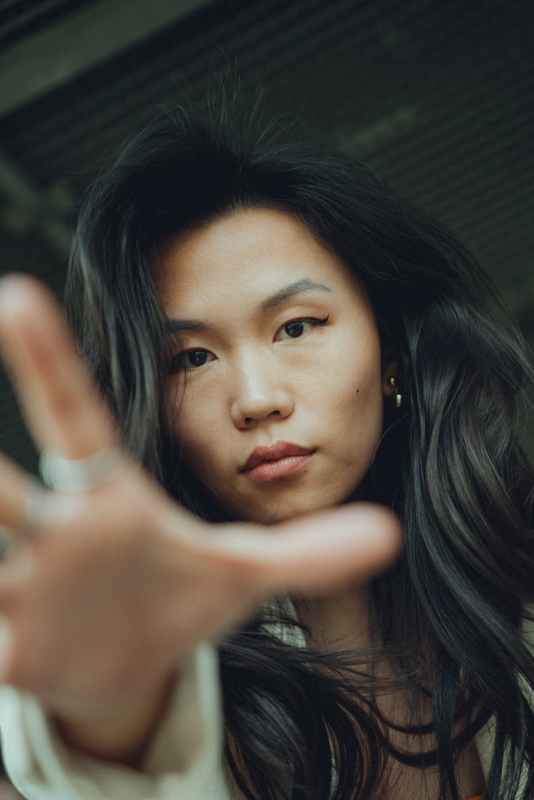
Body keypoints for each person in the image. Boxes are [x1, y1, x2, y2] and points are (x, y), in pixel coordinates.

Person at [0, 90, 533, 800]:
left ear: (390, 349)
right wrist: (111, 716)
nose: (255, 399)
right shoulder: (168, 657)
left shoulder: (514, 575)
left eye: (297, 327)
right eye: (191, 359)